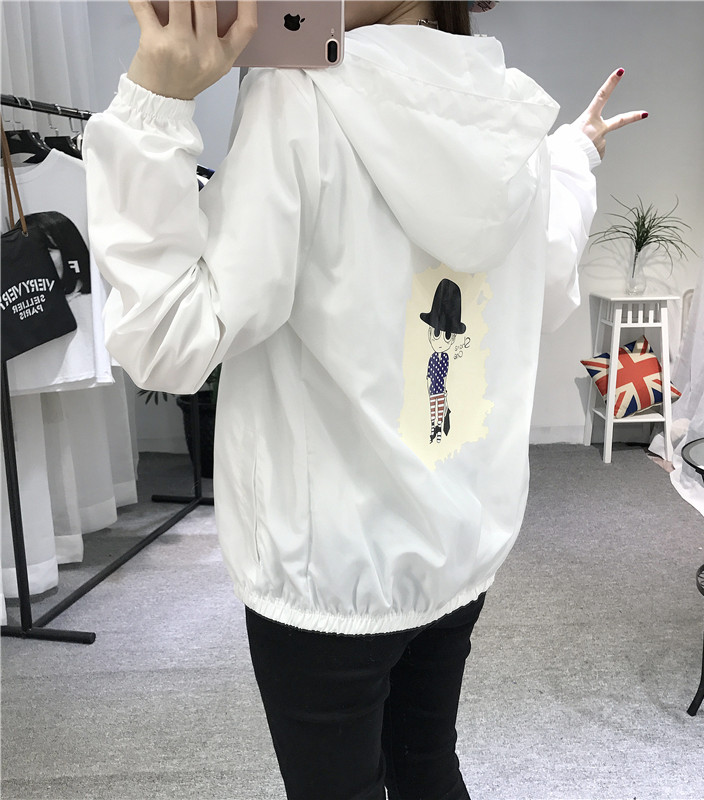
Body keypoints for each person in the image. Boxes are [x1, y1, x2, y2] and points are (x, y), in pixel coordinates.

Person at [83, 2, 647, 797]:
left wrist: (154, 104)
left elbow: (171, 337)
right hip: (458, 544)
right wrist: (575, 157)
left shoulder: (301, 95)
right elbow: (547, 277)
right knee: (426, 762)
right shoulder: (504, 109)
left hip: (328, 570)